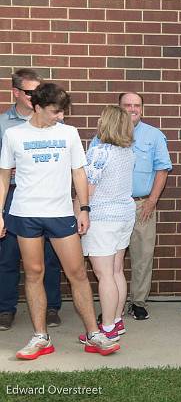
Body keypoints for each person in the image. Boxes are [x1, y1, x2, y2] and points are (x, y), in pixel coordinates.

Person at [0, 83, 119, 359]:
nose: (60, 116)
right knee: (34, 274)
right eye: (55, 111)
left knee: (77, 273)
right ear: (37, 107)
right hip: (25, 213)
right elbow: (4, 175)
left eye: (62, 112)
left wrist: (85, 208)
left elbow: (79, 172)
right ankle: (41, 337)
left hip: (61, 213)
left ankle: (94, 334)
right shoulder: (14, 134)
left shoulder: (69, 134)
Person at [94, 92, 172, 321]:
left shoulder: (154, 135)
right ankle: (111, 307)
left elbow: (162, 169)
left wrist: (152, 201)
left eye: (136, 105)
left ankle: (138, 302)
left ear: (142, 109)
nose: (132, 109)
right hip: (109, 208)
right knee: (108, 261)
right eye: (127, 105)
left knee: (142, 255)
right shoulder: (102, 136)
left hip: (141, 205)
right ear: (119, 109)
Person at [0, 69, 63, 331]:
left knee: (50, 255)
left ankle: (51, 307)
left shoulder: (53, 123)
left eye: (38, 92)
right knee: (8, 255)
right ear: (15, 92)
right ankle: (5, 308)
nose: (35, 96)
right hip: (13, 194)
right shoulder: (4, 124)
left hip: (47, 194)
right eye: (29, 92)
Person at [80, 105, 135, 341]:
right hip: (124, 215)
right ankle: (117, 320)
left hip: (102, 218)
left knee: (104, 275)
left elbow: (87, 190)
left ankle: (108, 327)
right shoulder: (128, 152)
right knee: (116, 270)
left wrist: (77, 213)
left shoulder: (98, 152)